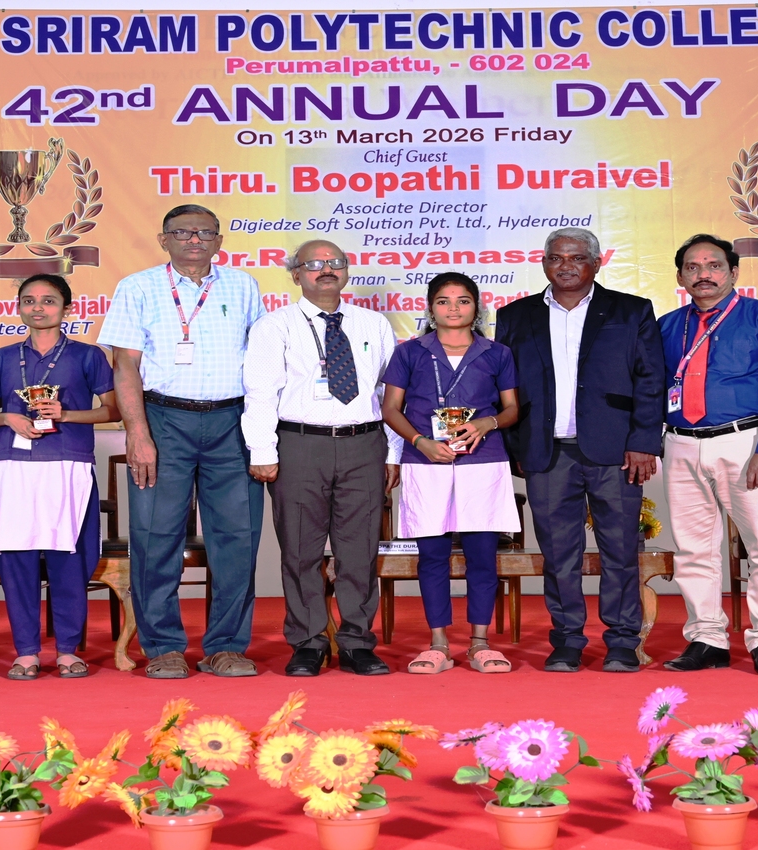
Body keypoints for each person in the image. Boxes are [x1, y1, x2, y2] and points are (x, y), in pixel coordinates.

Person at [96, 204, 267, 679]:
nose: (194, 240)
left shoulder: (243, 285)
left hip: (232, 422)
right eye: (183, 232)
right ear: (163, 239)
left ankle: (226, 646)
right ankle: (164, 647)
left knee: (238, 538)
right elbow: (124, 366)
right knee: (155, 538)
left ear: (219, 241)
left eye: (205, 233)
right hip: (163, 421)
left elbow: (261, 361)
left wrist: (261, 433)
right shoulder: (137, 287)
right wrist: (137, 433)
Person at [495, 227, 665, 673]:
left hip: (616, 451)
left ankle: (622, 640)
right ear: (543, 263)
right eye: (556, 257)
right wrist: (516, 447)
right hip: (546, 452)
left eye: (576, 257)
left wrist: (643, 442)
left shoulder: (631, 311)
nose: (565, 266)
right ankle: (567, 640)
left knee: (620, 551)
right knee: (558, 555)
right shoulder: (516, 315)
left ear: (596, 262)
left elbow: (651, 381)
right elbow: (503, 386)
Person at [242, 240, 400, 676]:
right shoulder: (274, 326)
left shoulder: (373, 323)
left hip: (363, 444)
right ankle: (308, 642)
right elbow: (260, 393)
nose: (326, 269)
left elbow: (391, 394)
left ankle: (356, 642)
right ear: (296, 274)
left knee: (360, 550)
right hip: (299, 445)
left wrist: (393, 451)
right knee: (300, 549)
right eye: (314, 264)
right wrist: (262, 450)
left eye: (335, 263)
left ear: (346, 271)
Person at [658, 234, 758, 675]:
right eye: (693, 267)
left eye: (714, 265)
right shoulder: (667, 325)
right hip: (680, 441)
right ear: (680, 276)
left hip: (746, 442)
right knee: (692, 549)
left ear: (734, 272)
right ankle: (707, 638)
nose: (704, 274)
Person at [0, 274, 117, 680]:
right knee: (15, 559)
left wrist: (66, 414)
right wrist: (8, 417)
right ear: (18, 307)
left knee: (69, 558)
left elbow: (112, 410)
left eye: (48, 300)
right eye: (29, 300)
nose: (38, 308)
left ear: (67, 308)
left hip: (67, 464)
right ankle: (26, 652)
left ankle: (68, 650)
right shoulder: (2, 358)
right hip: (11, 466)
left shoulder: (88, 356)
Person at [382, 273, 522, 674]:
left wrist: (487, 423)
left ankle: (480, 643)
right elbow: (390, 408)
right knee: (432, 556)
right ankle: (438, 644)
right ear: (430, 308)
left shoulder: (497, 353)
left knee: (482, 554)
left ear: (477, 307)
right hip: (426, 461)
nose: (453, 308)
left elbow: (512, 409)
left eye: (463, 301)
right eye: (443, 301)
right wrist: (420, 441)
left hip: (484, 461)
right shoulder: (410, 352)